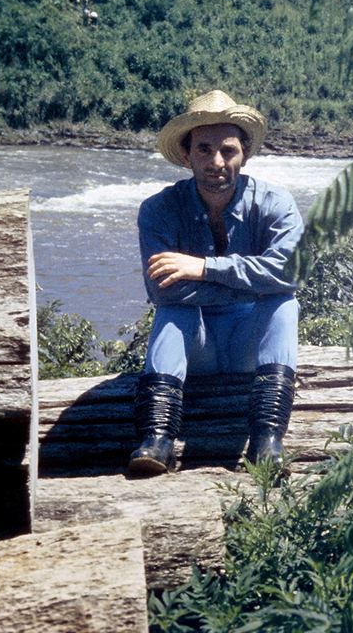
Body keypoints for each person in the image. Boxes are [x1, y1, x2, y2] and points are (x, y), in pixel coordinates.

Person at [128, 90, 303, 476]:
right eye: (204, 150)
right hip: (196, 348)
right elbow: (164, 290)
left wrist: (204, 268)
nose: (216, 162)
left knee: (284, 303)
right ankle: (156, 437)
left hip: (250, 348)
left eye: (228, 150)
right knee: (176, 309)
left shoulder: (276, 203)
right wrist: (255, 280)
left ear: (244, 154)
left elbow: (290, 274)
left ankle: (268, 440)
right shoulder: (158, 210)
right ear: (187, 155)